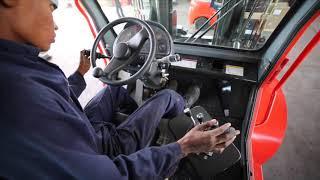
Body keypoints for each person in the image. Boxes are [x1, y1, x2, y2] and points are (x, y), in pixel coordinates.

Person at [0, 0, 240, 179]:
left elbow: (54, 98)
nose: (56, 24)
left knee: (113, 90)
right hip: (101, 148)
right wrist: (184, 146)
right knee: (166, 96)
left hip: (85, 125)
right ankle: (181, 102)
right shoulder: (16, 95)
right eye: (52, 6)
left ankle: (153, 107)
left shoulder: (20, 67)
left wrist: (79, 75)